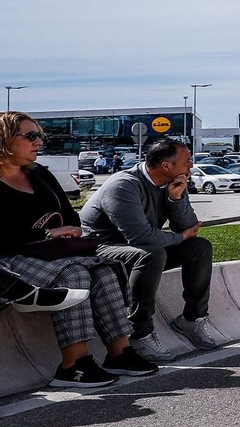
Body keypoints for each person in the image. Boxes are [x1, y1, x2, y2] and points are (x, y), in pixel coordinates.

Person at [0, 112, 158, 387]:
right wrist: (46, 232)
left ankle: (120, 353)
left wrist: (68, 230)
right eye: (31, 136)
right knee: (75, 275)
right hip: (9, 258)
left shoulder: (40, 174)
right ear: (4, 140)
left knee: (105, 270)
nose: (39, 142)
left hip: (50, 253)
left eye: (40, 135)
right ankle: (74, 365)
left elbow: (70, 218)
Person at [80, 138, 224, 360]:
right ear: (166, 165)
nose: (191, 166)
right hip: (100, 249)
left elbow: (188, 228)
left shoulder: (175, 182)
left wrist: (175, 199)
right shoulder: (124, 184)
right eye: (187, 161)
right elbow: (141, 237)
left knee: (200, 247)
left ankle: (191, 320)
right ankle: (139, 333)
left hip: (138, 248)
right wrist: (180, 236)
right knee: (152, 253)